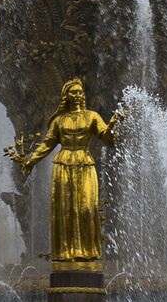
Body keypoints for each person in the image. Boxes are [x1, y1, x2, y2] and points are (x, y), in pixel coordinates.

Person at [10, 77, 115, 264]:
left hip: (85, 163)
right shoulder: (59, 121)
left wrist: (112, 127)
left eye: (80, 92)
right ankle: (67, 251)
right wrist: (30, 161)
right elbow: (47, 144)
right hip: (63, 164)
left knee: (86, 208)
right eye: (73, 92)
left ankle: (88, 251)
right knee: (66, 210)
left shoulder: (92, 116)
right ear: (66, 96)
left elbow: (108, 140)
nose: (78, 95)